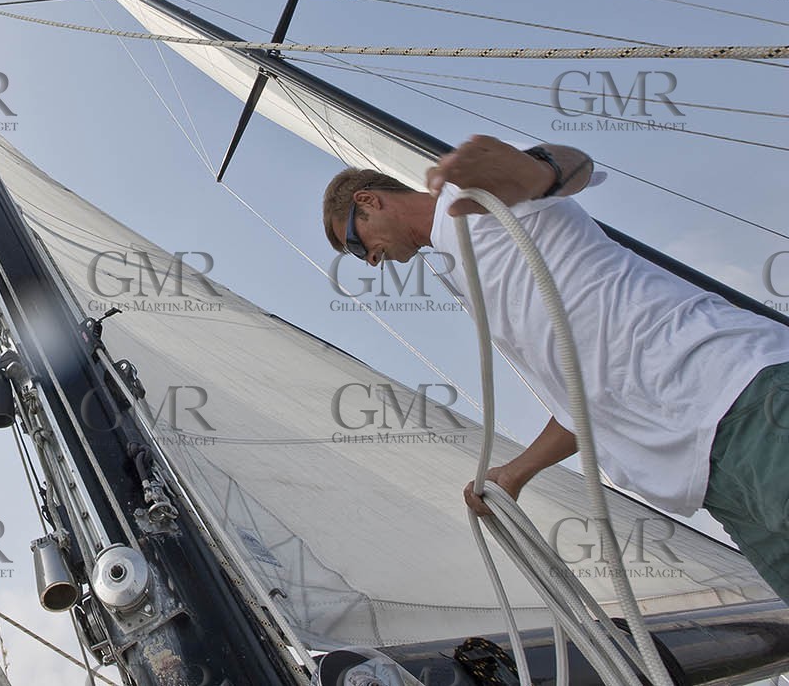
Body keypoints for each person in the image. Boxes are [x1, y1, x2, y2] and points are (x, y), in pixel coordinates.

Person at [320, 135, 789, 602]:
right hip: (711, 480)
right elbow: (583, 401)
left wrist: (538, 170)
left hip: (742, 401)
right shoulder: (463, 276)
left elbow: (572, 165)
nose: (373, 261)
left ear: (369, 201)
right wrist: (516, 473)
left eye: (359, 246)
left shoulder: (477, 199)